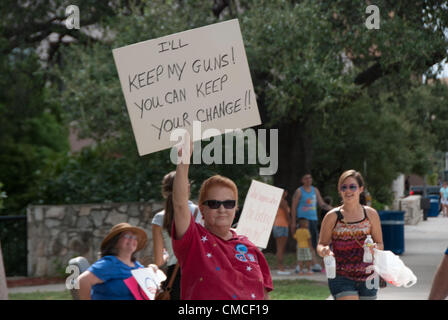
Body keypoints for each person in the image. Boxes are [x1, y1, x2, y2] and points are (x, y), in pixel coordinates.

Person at [171, 134, 273, 300]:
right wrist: (183, 161)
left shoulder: (249, 247)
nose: (222, 209)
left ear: (236, 208)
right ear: (202, 209)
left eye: (229, 203)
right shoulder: (193, 241)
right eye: (214, 203)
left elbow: (264, 294)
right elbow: (180, 204)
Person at [317, 169, 384, 300]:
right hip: (341, 275)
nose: (348, 191)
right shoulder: (332, 216)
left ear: (360, 189)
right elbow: (321, 244)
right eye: (344, 187)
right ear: (340, 190)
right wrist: (324, 251)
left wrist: (375, 248)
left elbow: (380, 243)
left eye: (352, 186)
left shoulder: (370, 214)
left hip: (369, 275)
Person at [151, 171, 202, 300]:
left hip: (174, 279)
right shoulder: (201, 212)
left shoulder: (158, 218)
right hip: (199, 272)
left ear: (164, 191)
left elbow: (159, 261)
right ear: (188, 188)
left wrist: (167, 254)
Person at [77, 223, 148, 300]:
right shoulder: (109, 264)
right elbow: (82, 281)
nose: (132, 239)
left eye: (135, 237)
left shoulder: (138, 266)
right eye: (127, 236)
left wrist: (153, 270)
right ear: (115, 242)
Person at [291, 173, 332, 272]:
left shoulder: (315, 190)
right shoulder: (299, 191)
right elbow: (294, 206)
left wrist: (333, 209)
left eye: (310, 178)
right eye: (306, 178)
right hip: (303, 220)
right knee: (302, 241)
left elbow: (321, 203)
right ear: (302, 180)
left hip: (313, 220)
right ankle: (299, 265)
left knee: (313, 242)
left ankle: (313, 264)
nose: (308, 180)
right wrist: (293, 221)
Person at [272, 190, 291, 275]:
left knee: (279, 248)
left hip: (277, 224)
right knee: (280, 248)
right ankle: (280, 268)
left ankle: (280, 266)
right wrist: (290, 222)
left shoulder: (275, 201)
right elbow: (287, 215)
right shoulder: (283, 201)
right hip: (282, 225)